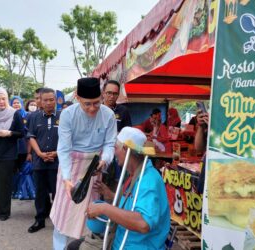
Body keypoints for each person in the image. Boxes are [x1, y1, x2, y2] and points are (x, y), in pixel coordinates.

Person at [50, 77, 117, 249]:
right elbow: (63, 149)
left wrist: (105, 160)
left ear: (102, 97)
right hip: (71, 167)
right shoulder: (67, 114)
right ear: (78, 98)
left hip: (95, 168)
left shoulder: (108, 114)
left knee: (91, 215)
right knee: (63, 217)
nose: (92, 108)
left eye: (96, 103)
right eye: (87, 104)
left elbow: (109, 144)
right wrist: (66, 178)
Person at [86, 127, 170, 249]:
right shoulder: (135, 174)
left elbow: (143, 224)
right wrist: (110, 194)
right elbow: (132, 205)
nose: (114, 153)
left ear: (125, 149)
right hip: (120, 241)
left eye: (115, 148)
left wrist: (104, 208)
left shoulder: (148, 180)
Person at [0, 87, 24, 221]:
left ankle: (3, 213)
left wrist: (8, 133)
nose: (1, 101)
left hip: (8, 154)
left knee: (4, 183)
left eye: (3, 98)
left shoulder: (15, 113)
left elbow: (22, 133)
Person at [27, 88, 60, 233]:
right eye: (45, 100)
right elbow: (31, 136)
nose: (48, 103)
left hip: (57, 161)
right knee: (40, 193)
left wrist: (57, 153)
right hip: (39, 162)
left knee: (57, 192)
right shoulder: (34, 117)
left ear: (56, 100)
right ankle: (39, 220)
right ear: (40, 100)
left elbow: (68, 138)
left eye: (51, 100)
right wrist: (39, 153)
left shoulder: (63, 116)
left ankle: (58, 222)